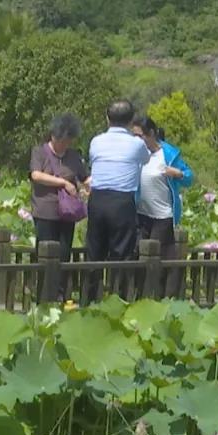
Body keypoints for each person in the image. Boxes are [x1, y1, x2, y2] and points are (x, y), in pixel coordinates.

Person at [84, 100, 151, 300]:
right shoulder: (137, 144)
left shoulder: (96, 141)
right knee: (122, 254)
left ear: (107, 118)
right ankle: (118, 300)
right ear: (131, 122)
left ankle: (89, 301)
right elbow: (146, 159)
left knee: (94, 252)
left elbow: (92, 159)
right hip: (122, 201)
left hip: (97, 200)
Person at [29, 114, 90, 287]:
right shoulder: (40, 152)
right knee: (46, 254)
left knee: (64, 254)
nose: (65, 144)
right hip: (45, 211)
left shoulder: (73, 156)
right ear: (54, 136)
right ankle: (44, 294)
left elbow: (85, 178)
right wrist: (63, 183)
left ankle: (61, 292)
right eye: (62, 140)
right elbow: (36, 175)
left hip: (67, 213)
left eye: (68, 140)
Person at [131, 115, 193, 259]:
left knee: (154, 256)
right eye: (133, 136)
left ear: (151, 134)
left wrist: (178, 174)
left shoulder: (168, 155)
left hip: (162, 217)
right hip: (141, 215)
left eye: (139, 136)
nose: (136, 140)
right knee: (137, 254)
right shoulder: (136, 154)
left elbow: (189, 177)